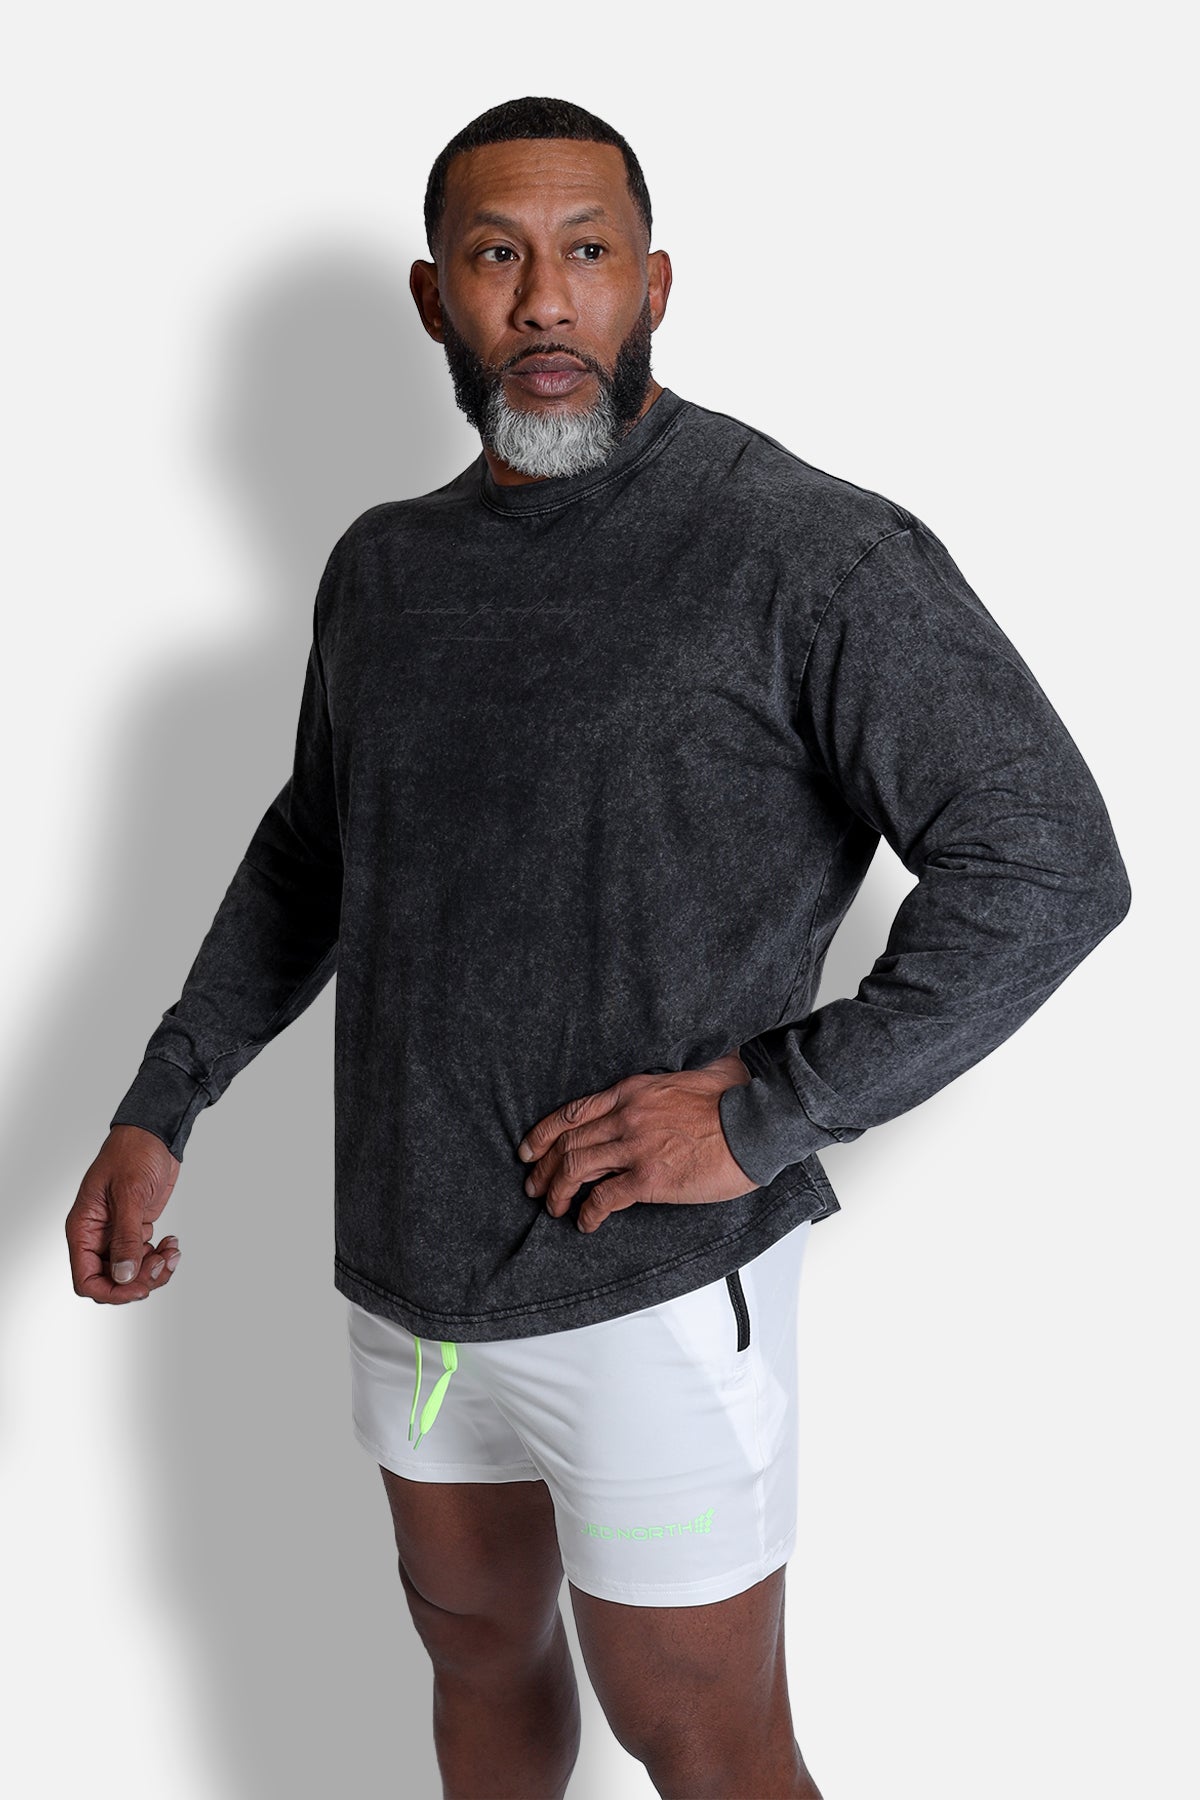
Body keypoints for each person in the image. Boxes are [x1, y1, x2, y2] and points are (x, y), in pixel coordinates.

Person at [66, 94, 1131, 1800]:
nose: (546, 299)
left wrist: (768, 1111)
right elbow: (318, 852)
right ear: (437, 298)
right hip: (407, 1268)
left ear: (655, 287)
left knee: (703, 1739)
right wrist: (162, 1098)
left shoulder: (806, 549)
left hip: (653, 1287)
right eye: (498, 257)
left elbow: (1049, 863)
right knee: (479, 1661)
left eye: (588, 254)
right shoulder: (384, 569)